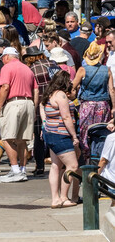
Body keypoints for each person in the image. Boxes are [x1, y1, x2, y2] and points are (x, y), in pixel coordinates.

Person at [0, 46, 37, 182]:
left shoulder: (7, 67)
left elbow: (5, 87)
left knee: (7, 138)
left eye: (2, 58)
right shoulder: (27, 69)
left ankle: (15, 170)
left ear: (7, 56)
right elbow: (35, 90)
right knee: (22, 140)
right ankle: (22, 170)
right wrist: (34, 107)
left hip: (14, 103)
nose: (2, 61)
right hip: (28, 102)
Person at [40, 70, 80, 208]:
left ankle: (55, 199)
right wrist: (74, 136)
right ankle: (63, 197)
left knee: (55, 166)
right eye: (69, 80)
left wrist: (44, 125)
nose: (70, 83)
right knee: (72, 166)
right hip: (60, 134)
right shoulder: (61, 95)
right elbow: (66, 117)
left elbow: (42, 109)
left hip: (50, 133)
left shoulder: (49, 94)